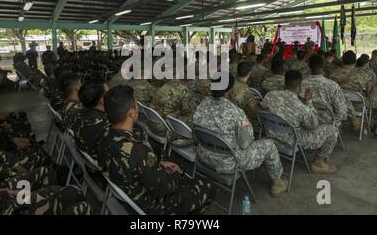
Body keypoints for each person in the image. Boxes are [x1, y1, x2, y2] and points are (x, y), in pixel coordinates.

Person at [0, 90, 92, 215]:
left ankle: (61, 179)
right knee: (75, 200)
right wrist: (6, 185)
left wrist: (1, 189)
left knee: (66, 189)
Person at [98, 85, 215, 214]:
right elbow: (162, 189)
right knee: (208, 185)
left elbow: (133, 165)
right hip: (152, 205)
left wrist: (156, 164)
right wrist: (176, 173)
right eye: (136, 104)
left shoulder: (104, 137)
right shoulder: (139, 151)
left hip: (127, 195)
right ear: (131, 113)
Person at [193, 73, 287, 197]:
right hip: (228, 164)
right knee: (269, 145)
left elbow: (195, 131)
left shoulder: (202, 104)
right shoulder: (236, 112)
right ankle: (277, 183)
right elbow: (246, 143)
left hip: (203, 156)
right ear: (231, 90)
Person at [262, 70, 339, 174]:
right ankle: (318, 162)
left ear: (285, 83)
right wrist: (309, 101)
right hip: (291, 141)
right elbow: (313, 125)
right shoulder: (301, 108)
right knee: (332, 130)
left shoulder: (269, 96)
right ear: (300, 86)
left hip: (271, 136)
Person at [331, 51, 377, 139]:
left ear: (342, 60)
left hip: (338, 104)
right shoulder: (364, 74)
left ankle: (355, 120)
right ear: (355, 62)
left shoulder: (332, 74)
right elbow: (372, 94)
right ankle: (376, 123)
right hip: (359, 105)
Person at [301, 55, 349, 128]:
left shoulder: (300, 84)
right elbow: (342, 112)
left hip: (306, 122)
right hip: (327, 124)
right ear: (323, 65)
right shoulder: (332, 85)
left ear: (308, 66)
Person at [72, 80, 110, 161]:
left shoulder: (79, 114)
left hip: (87, 162)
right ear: (102, 100)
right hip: (99, 170)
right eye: (109, 93)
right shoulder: (105, 125)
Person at [227, 62, 261, 129]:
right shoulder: (247, 93)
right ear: (249, 73)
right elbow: (254, 112)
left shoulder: (229, 82)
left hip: (228, 116)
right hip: (240, 122)